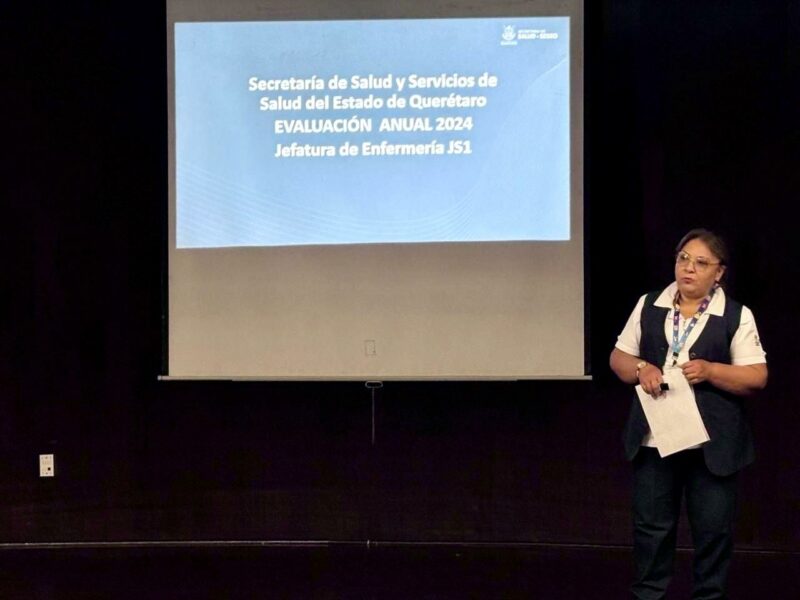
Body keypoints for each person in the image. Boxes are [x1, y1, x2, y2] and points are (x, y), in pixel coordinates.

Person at [610, 228, 767, 600]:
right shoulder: (650, 304)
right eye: (683, 258)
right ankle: (648, 594)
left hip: (712, 444)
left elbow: (756, 376)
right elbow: (619, 357)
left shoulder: (735, 314)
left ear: (719, 272)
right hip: (656, 438)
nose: (689, 268)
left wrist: (712, 371)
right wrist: (641, 368)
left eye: (701, 262)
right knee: (651, 528)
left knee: (713, 531)